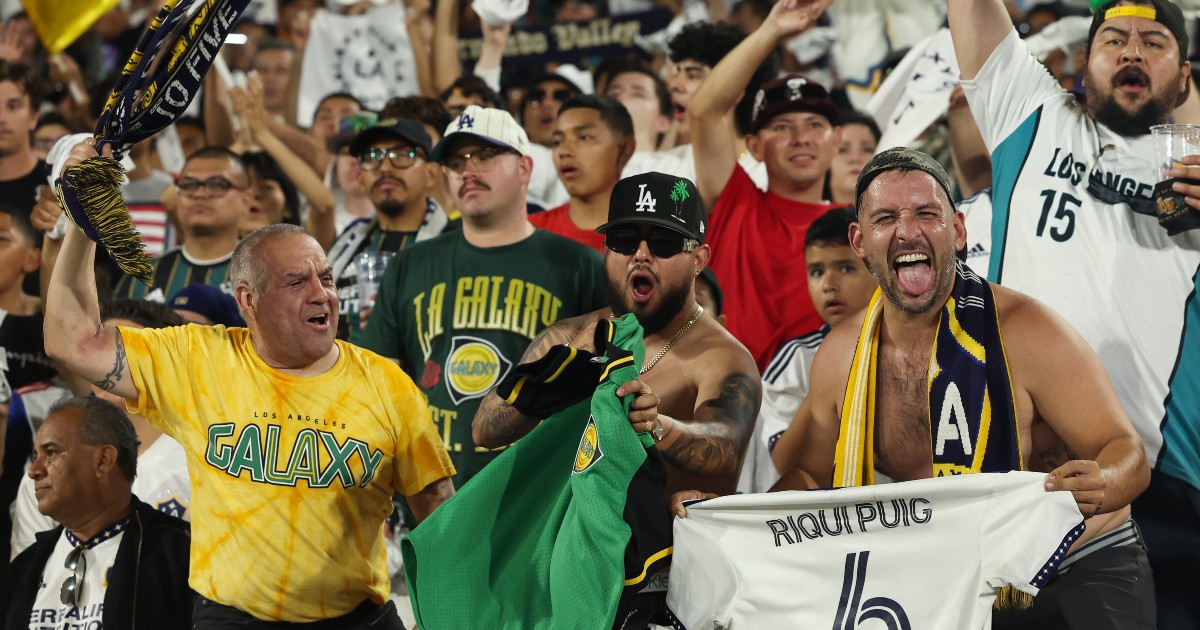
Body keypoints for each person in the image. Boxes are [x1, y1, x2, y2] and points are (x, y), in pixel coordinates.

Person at [46, 137, 457, 626]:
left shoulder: (386, 384)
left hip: (355, 618)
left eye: (325, 278)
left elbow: (436, 510)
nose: (321, 294)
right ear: (247, 300)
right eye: (295, 282)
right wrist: (83, 221)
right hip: (233, 618)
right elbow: (71, 341)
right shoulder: (199, 359)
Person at [735, 148, 1153, 628]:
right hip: (946, 580)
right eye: (886, 217)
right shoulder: (841, 354)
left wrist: (1103, 481)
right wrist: (730, 527)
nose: (907, 231)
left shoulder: (1028, 331)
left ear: (957, 229)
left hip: (1075, 567)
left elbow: (1126, 452)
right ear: (859, 240)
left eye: (926, 214)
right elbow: (809, 477)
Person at [948, 0, 1200, 624]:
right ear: (1084, 62)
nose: (1133, 51)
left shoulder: (1193, 162)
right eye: (1114, 39)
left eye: (1155, 41)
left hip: (1165, 475)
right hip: (1019, 468)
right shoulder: (1029, 113)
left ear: (1187, 75)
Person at [360, 105, 606, 489]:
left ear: (525, 168)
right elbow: (379, 384)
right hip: (431, 489)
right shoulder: (412, 263)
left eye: (485, 156)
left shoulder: (580, 265)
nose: (468, 171)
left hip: (539, 488)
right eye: (456, 162)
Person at [475, 172, 760, 498]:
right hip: (570, 543)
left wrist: (655, 425)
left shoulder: (721, 356)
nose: (640, 254)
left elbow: (726, 445)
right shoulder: (571, 335)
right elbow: (484, 432)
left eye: (663, 243)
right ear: (605, 251)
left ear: (698, 259)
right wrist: (547, 384)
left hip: (669, 545)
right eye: (624, 240)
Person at [688, 0, 845, 370]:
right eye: (782, 127)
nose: (801, 138)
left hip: (830, 400)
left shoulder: (860, 226)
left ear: (836, 141)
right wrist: (771, 31)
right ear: (754, 146)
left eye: (814, 125)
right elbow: (704, 111)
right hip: (735, 403)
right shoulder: (734, 201)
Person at [11, 300, 193, 559]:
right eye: (98, 349)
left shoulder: (206, 460)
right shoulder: (48, 468)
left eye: (123, 348)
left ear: (168, 362)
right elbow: (28, 580)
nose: (107, 363)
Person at [0, 396, 193, 628]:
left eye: (51, 452)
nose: (34, 470)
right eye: (35, 456)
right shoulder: (23, 569)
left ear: (103, 460)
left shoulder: (178, 555)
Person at [738, 207, 876, 493]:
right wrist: (829, 378)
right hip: (820, 520)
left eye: (846, 268)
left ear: (877, 270)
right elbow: (782, 464)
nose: (828, 285)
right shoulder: (796, 358)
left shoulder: (910, 347)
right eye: (816, 271)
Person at [326, 118, 449, 341]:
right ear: (361, 179)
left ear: (431, 173)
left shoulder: (453, 241)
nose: (384, 167)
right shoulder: (348, 241)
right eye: (372, 157)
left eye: (402, 154)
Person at [112, 147, 253, 302]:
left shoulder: (263, 273)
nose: (199, 194)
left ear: (246, 199)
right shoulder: (142, 278)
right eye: (188, 184)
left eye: (217, 185)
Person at [531, 94, 636, 251]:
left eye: (584, 137)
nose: (564, 151)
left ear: (625, 149)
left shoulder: (652, 242)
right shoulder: (529, 232)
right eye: (557, 142)